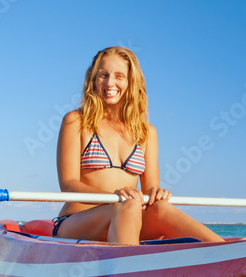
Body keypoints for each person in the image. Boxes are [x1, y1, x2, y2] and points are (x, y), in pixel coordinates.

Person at [52, 46, 223, 245]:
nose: (110, 82)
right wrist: (115, 198)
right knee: (127, 205)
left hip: (129, 216)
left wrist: (158, 193)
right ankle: (126, 269)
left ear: (131, 82)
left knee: (160, 207)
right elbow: (68, 184)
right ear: (93, 79)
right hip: (76, 223)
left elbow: (150, 189)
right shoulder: (76, 121)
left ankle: (231, 255)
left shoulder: (147, 133)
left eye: (119, 76)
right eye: (103, 75)